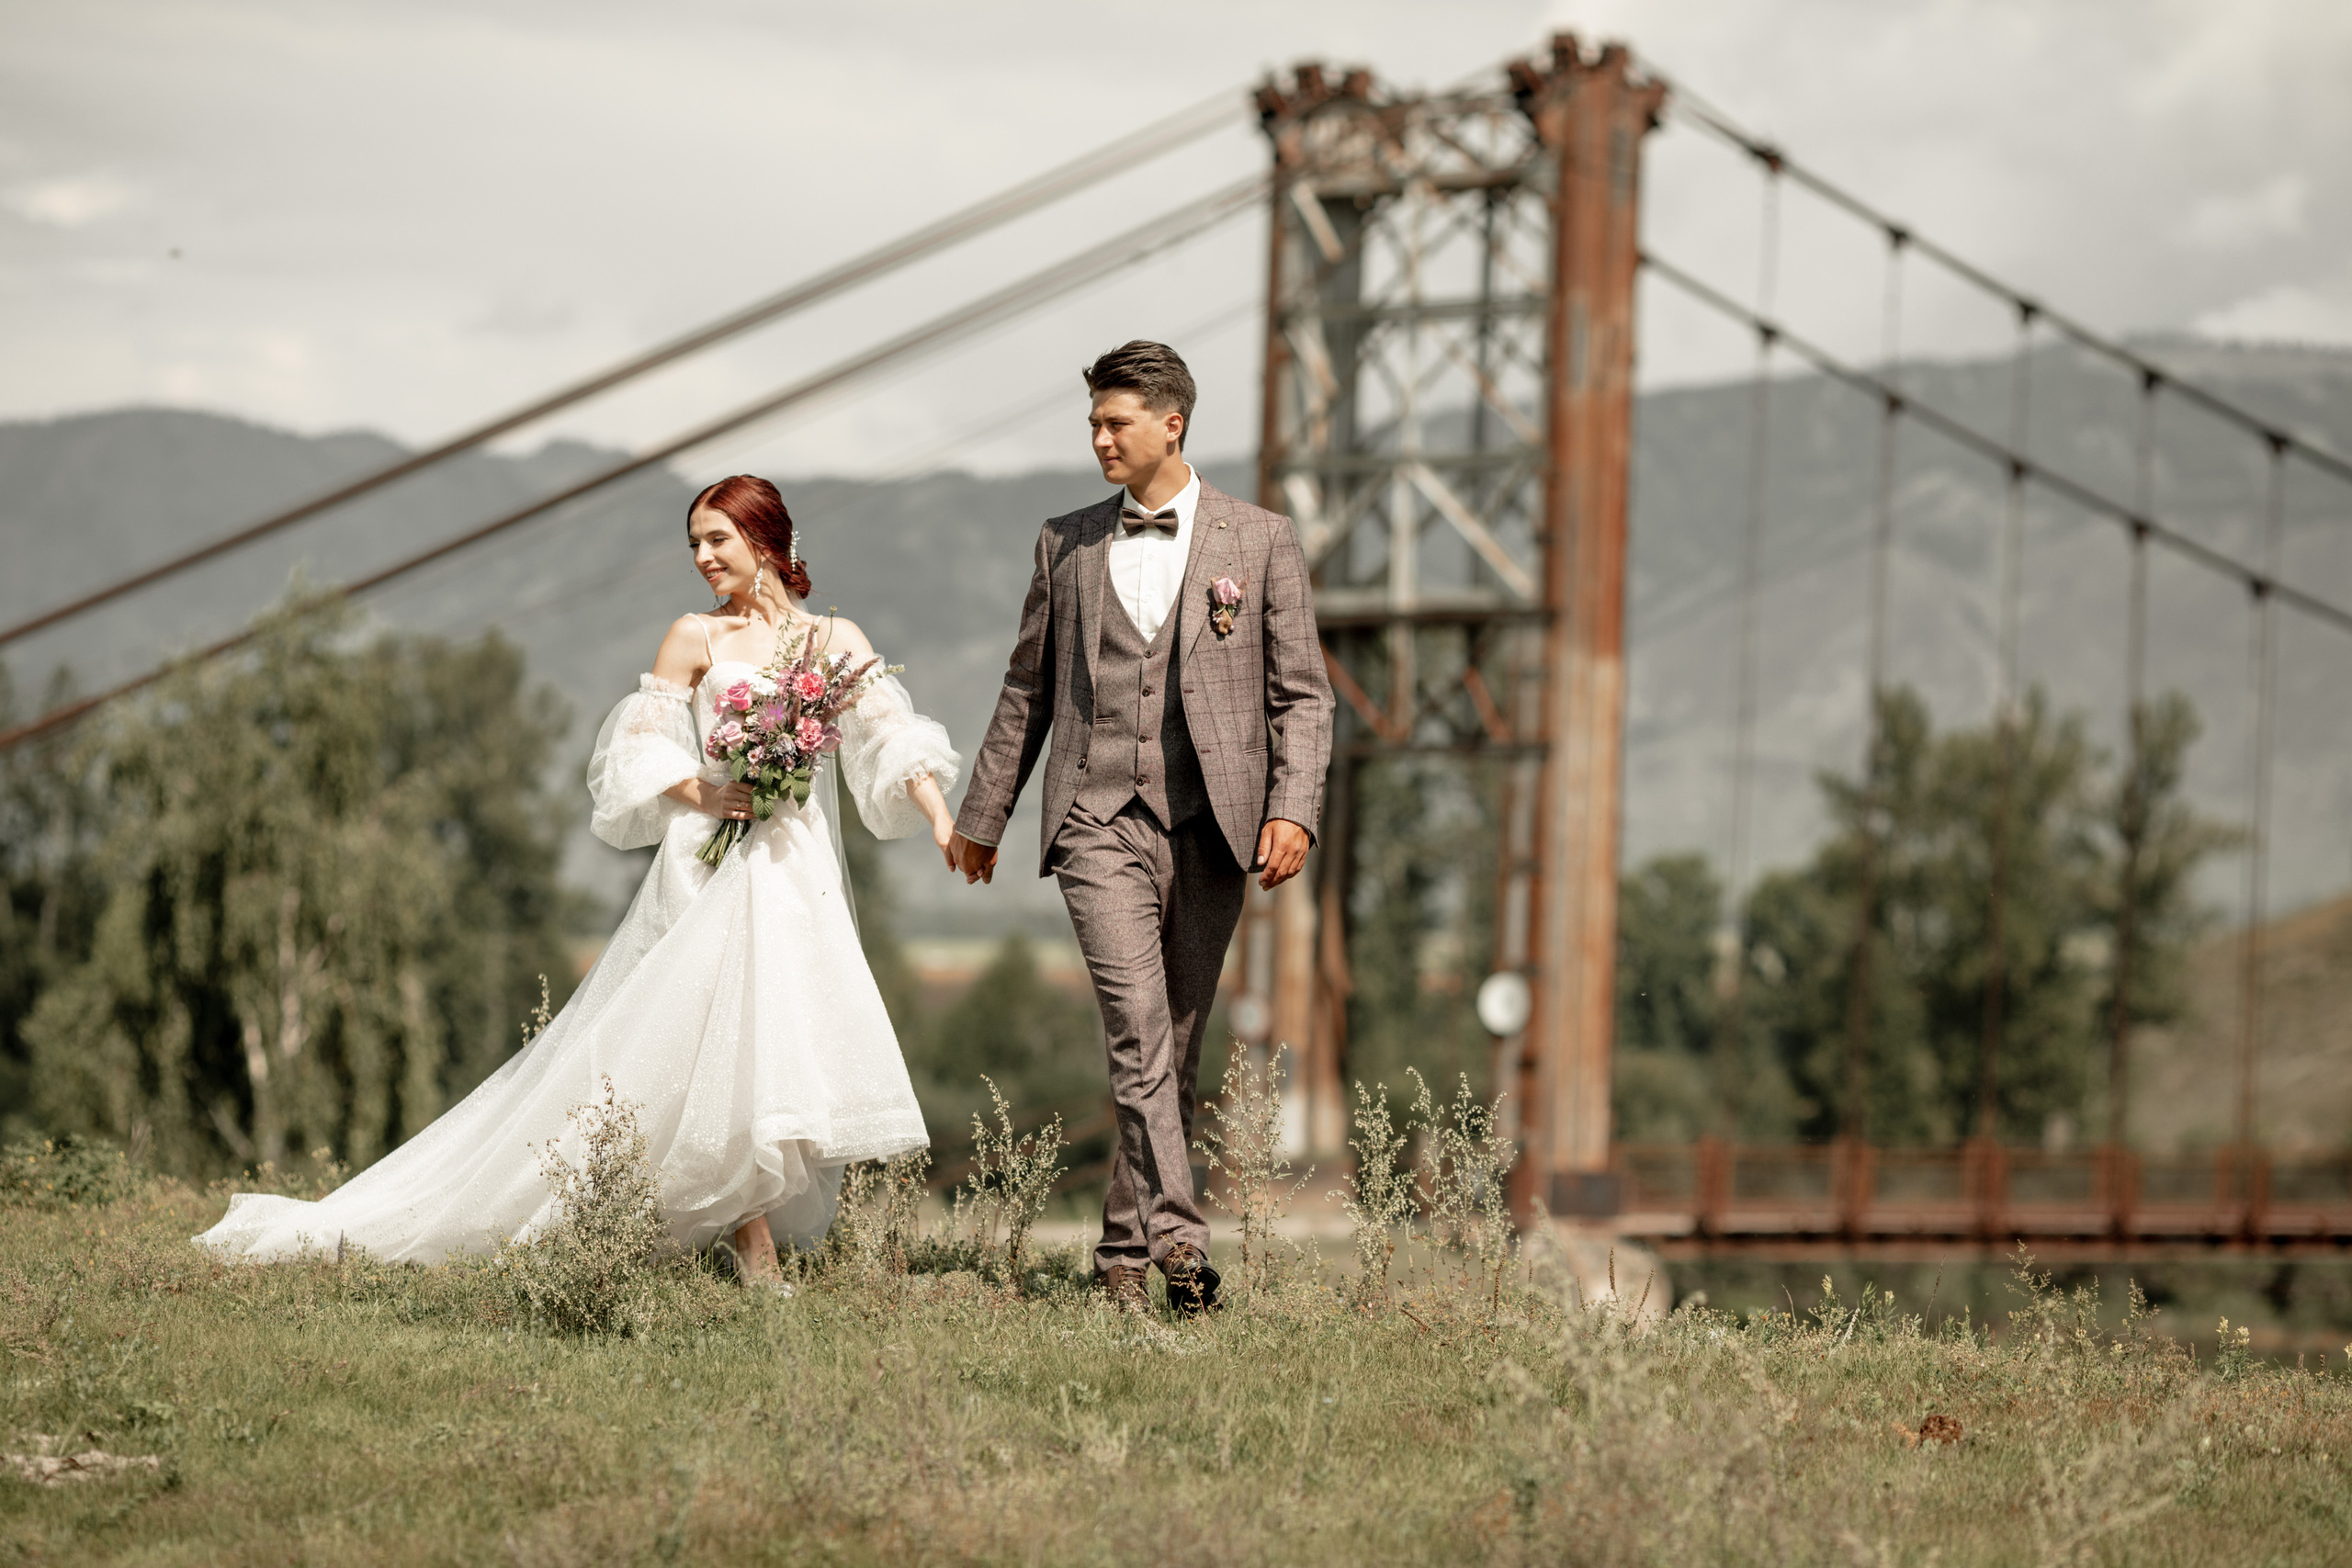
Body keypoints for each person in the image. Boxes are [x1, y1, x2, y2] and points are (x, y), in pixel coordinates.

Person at [197, 476, 960, 1284]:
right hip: (713, 860)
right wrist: (705, 789)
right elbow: (635, 749)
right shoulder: (693, 637)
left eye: (717, 540)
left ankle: (763, 1226)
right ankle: (753, 1245)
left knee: (778, 1035)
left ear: (765, 538)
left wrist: (945, 823)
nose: (702, 558)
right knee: (715, 1042)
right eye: (695, 544)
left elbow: (888, 731)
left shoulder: (833, 638)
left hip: (792, 863)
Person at [948, 340, 1334, 1315]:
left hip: (1214, 824)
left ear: (1173, 424)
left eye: (1113, 422)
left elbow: (1303, 697)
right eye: (1091, 423)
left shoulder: (1260, 541)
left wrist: (1292, 806)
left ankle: (1122, 1255)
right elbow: (1025, 688)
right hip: (1094, 818)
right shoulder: (1062, 541)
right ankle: (1182, 1243)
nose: (1098, 439)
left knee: (1178, 1041)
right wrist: (983, 816)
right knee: (1135, 1026)